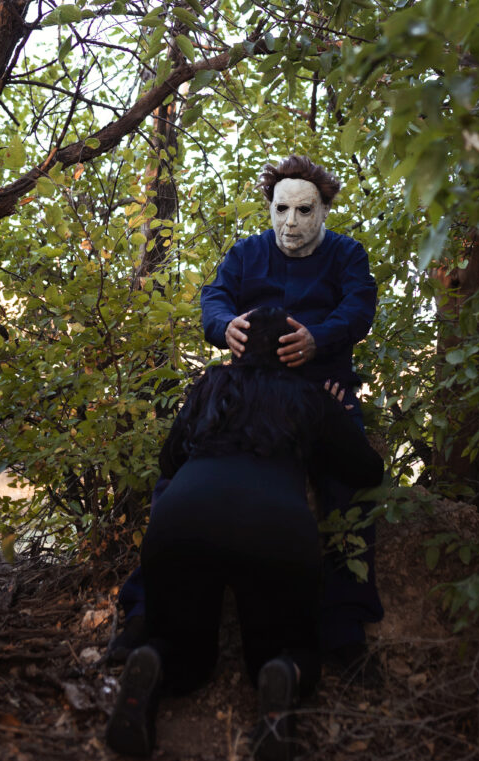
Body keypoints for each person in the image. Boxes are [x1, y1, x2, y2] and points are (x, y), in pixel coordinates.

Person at [113, 154, 383, 665]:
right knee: (175, 480)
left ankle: (344, 623)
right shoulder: (245, 253)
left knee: (348, 488)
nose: (292, 223)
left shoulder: (348, 254)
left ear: (325, 209)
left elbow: (358, 307)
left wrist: (317, 338)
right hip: (247, 383)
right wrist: (224, 326)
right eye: (282, 209)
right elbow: (214, 299)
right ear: (270, 207)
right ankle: (142, 607)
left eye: (305, 211)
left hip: (319, 386)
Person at [105, 307, 384, 761]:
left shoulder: (210, 385)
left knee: (187, 657)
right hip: (276, 530)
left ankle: (155, 660)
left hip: (183, 521)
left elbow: (168, 463)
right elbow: (368, 470)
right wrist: (340, 410)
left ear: (237, 347)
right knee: (286, 648)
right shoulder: (309, 395)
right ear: (292, 354)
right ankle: (282, 672)